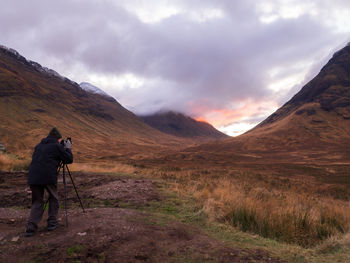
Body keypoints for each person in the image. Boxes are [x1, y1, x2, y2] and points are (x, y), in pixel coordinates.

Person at [25, 127, 73, 237]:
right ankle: (52, 223)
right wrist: (68, 148)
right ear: (58, 139)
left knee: (37, 201)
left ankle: (30, 228)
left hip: (33, 176)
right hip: (48, 176)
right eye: (60, 140)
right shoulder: (56, 146)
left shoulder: (38, 146)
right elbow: (69, 159)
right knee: (53, 198)